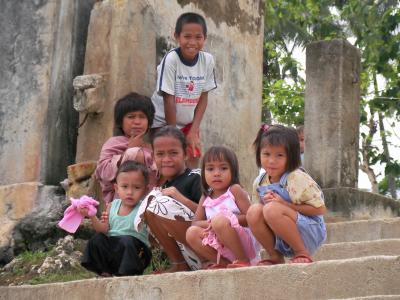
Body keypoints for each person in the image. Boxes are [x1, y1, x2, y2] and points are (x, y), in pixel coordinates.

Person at [247, 124, 326, 265]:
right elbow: (259, 214)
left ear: (291, 157)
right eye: (266, 154)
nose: (271, 160)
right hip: (281, 235)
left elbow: (320, 209)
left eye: (280, 155)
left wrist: (283, 204)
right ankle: (275, 256)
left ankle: (302, 252)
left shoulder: (296, 177)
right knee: (253, 211)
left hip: (308, 231)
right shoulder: (259, 182)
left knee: (271, 209)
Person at [150, 12, 217, 168]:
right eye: (187, 36)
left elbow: (203, 97)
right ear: (177, 36)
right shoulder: (171, 59)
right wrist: (173, 134)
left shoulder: (207, 60)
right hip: (163, 122)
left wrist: (194, 130)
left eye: (198, 37)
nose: (192, 42)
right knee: (167, 162)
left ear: (205, 38)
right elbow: (168, 99)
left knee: (193, 157)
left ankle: (189, 191)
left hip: (188, 123)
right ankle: (163, 191)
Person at [137, 126, 202, 272]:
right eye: (160, 154)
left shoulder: (196, 178)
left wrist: (180, 199)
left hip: (206, 250)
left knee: (160, 204)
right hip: (187, 256)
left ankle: (203, 260)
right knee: (149, 207)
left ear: (185, 154)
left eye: (173, 153)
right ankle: (178, 263)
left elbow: (213, 215)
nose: (166, 159)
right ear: (153, 157)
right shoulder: (164, 186)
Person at [186, 146, 258, 269]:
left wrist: (227, 219)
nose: (217, 173)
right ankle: (224, 263)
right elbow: (195, 223)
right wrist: (211, 223)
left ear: (233, 171)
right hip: (219, 241)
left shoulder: (235, 190)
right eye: (210, 169)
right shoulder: (205, 197)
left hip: (241, 243)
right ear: (203, 173)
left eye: (223, 168)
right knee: (191, 233)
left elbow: (250, 218)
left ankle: (242, 260)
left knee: (219, 221)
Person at [81, 161, 152, 276]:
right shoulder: (112, 205)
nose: (130, 192)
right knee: (97, 239)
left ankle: (126, 274)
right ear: (116, 188)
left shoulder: (145, 208)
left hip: (137, 252)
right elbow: (103, 229)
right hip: (114, 251)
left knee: (127, 240)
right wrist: (91, 215)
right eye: (124, 187)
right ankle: (105, 271)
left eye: (137, 187)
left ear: (145, 190)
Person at [95, 92, 157, 203]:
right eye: (131, 117)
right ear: (121, 121)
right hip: (121, 203)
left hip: (150, 203)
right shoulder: (113, 143)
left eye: (142, 117)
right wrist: (129, 152)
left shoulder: (153, 148)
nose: (137, 122)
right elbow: (103, 173)